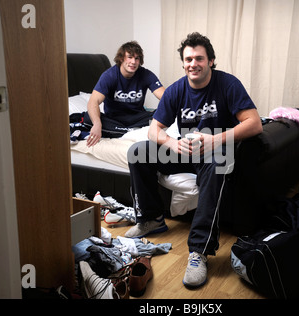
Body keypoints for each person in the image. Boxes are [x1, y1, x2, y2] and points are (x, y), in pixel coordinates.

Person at [125, 32, 263, 288]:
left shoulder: (227, 84)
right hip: (185, 149)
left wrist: (216, 139)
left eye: (199, 58)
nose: (193, 64)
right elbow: (154, 129)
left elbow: (254, 124)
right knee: (138, 151)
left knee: (219, 160)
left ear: (210, 61)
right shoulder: (177, 89)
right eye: (188, 59)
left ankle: (198, 251)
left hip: (216, 148)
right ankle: (151, 219)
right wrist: (171, 142)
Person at [86, 41, 165, 147]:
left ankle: (122, 132)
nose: (133, 62)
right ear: (121, 58)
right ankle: (135, 131)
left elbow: (166, 97)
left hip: (138, 118)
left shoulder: (145, 74)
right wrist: (97, 124)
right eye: (130, 57)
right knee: (88, 118)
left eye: (137, 58)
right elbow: (93, 102)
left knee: (162, 114)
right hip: (114, 120)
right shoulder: (109, 75)